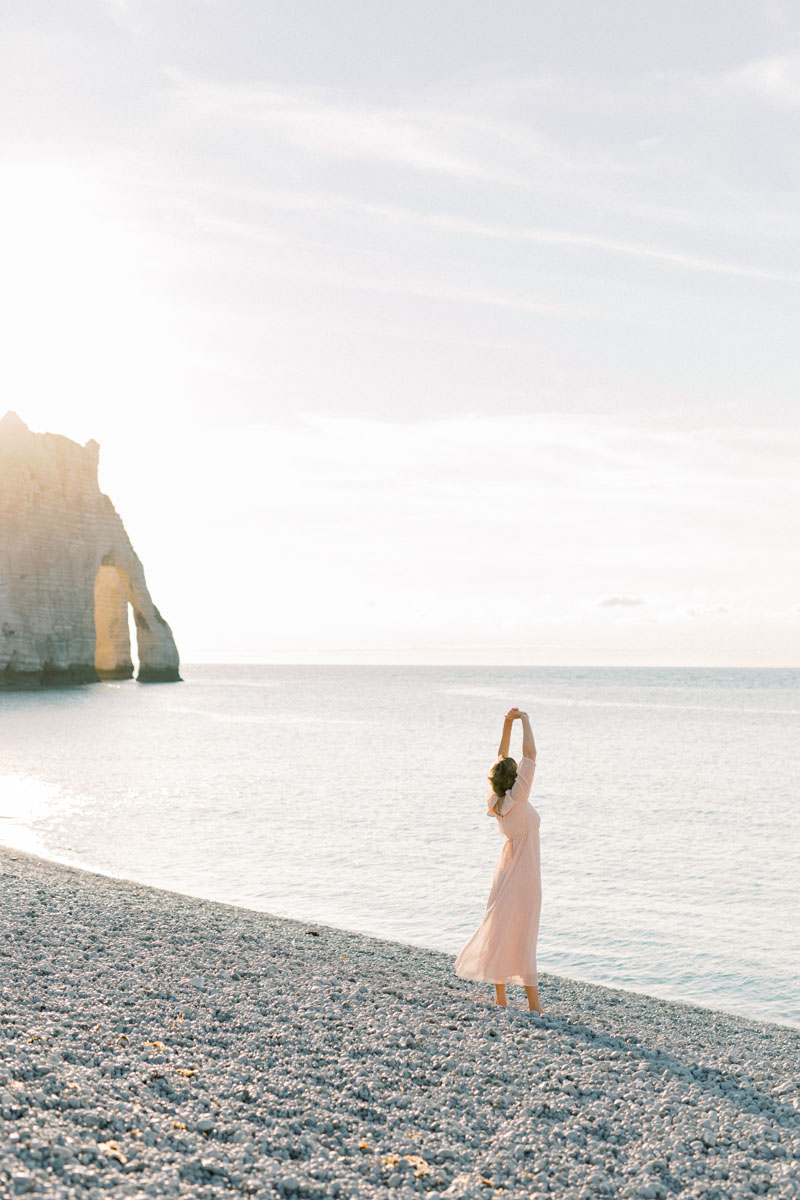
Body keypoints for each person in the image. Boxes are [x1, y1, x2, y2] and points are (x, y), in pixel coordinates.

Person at [454, 707, 542, 1013]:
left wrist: (507, 723)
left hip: (506, 870)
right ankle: (534, 1005)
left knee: (502, 927)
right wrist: (525, 720)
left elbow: (501, 757)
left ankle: (502, 998)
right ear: (514, 777)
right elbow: (529, 753)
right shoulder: (519, 795)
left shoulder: (497, 800)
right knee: (525, 931)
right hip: (526, 873)